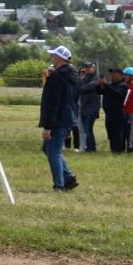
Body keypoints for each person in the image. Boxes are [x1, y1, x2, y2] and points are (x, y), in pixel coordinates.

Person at [39, 45, 81, 191]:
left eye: (54, 55)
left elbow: (53, 102)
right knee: (47, 148)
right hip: (68, 117)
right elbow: (74, 99)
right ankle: (68, 178)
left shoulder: (57, 77)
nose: (53, 58)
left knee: (54, 152)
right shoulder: (73, 76)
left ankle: (60, 185)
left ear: (60, 58)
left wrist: (48, 126)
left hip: (57, 120)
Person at [77, 62, 105, 152]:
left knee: (87, 127)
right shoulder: (85, 78)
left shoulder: (97, 78)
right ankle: (91, 147)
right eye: (86, 67)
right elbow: (80, 89)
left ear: (94, 68)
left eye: (89, 67)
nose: (87, 69)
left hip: (92, 108)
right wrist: (93, 84)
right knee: (86, 128)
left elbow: (85, 88)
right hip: (84, 107)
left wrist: (92, 85)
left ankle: (91, 148)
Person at [112, 68, 133, 155]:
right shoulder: (125, 86)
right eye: (123, 75)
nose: (124, 77)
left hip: (131, 111)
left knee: (131, 131)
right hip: (124, 111)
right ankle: (123, 146)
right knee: (124, 130)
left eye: (126, 75)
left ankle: (131, 146)